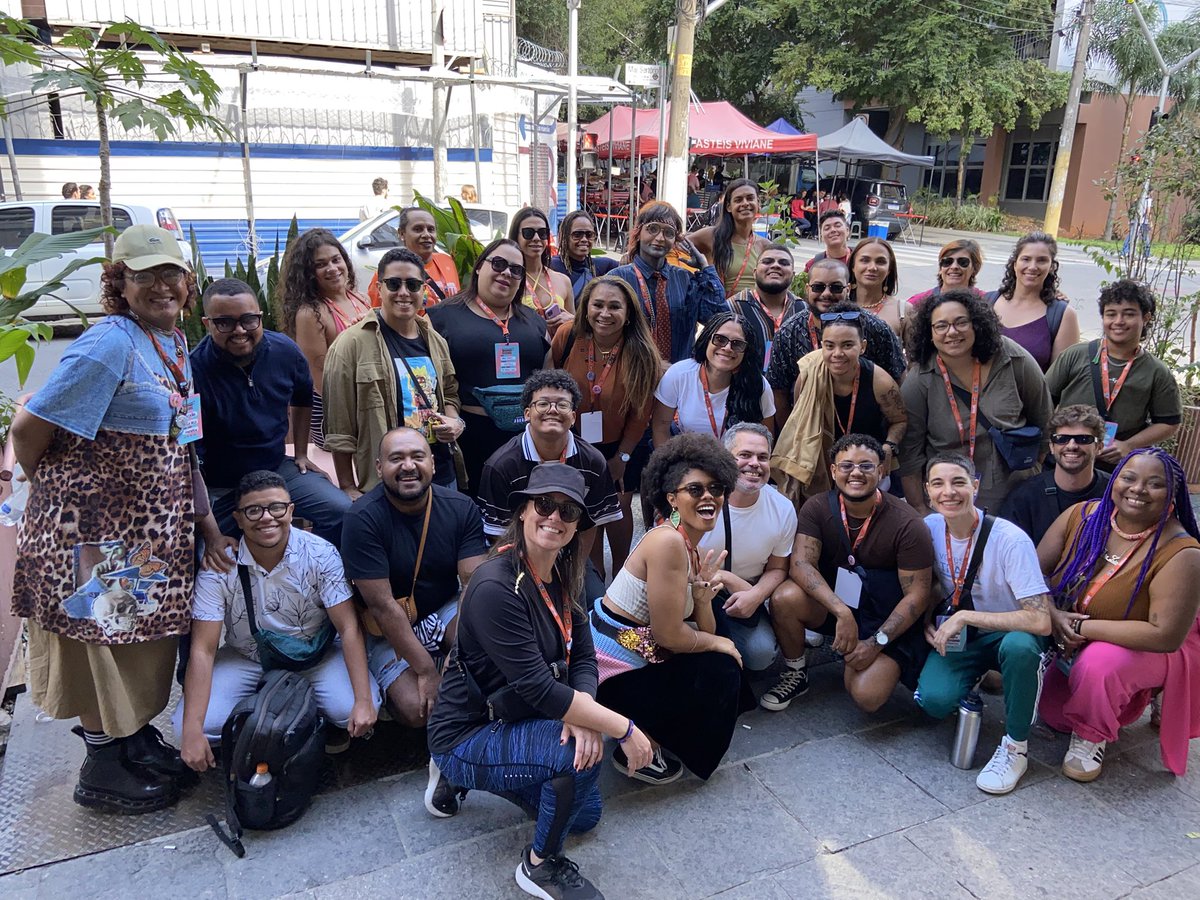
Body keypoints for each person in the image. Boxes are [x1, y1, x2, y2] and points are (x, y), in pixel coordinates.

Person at [10, 225, 210, 813]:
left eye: (172, 274)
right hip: (100, 532)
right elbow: (28, 431)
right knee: (104, 638)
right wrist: (58, 491)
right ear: (118, 282)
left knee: (134, 643)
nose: (162, 286)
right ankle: (102, 765)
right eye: (145, 275)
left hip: (148, 531)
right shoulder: (109, 343)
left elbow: (182, 438)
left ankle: (129, 740)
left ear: (187, 284)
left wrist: (202, 519)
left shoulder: (170, 342)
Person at [427, 464, 654, 900]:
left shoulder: (566, 571)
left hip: (526, 715)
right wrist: (622, 727)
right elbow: (538, 687)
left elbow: (584, 654)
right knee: (575, 758)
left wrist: (583, 710)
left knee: (584, 814)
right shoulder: (496, 585)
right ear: (524, 511)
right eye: (544, 504)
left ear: (576, 527)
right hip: (468, 730)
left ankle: (499, 774)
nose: (555, 517)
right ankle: (539, 865)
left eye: (568, 512)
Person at [174, 471, 379, 765]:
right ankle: (267, 722)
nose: (266, 518)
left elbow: (348, 628)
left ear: (291, 511)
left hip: (315, 655)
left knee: (350, 710)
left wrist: (362, 701)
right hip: (247, 657)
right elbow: (203, 650)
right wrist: (192, 731)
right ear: (239, 518)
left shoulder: (320, 554)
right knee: (197, 727)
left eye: (276, 508)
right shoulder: (220, 566)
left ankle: (302, 716)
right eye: (253, 510)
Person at [590, 433, 754, 784]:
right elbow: (669, 634)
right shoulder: (667, 542)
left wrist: (704, 602)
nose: (709, 497)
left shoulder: (685, 540)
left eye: (716, 488)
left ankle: (665, 729)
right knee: (721, 666)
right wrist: (721, 646)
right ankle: (639, 738)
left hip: (641, 653)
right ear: (671, 499)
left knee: (717, 616)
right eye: (695, 490)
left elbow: (705, 629)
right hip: (611, 676)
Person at [1038, 447, 1200, 780]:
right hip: (1076, 630)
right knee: (1054, 714)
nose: (1138, 489)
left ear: (1172, 494)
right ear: (1114, 480)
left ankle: (1092, 736)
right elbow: (1033, 571)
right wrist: (1053, 614)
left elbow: (1165, 635)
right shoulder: (1082, 516)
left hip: (1149, 644)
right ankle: (1123, 695)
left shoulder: (1182, 553)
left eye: (1154, 484)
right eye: (1129, 477)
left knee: (1100, 666)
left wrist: (1082, 627)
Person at [764, 435, 934, 713]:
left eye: (866, 466)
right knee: (785, 597)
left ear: (881, 470)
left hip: (883, 616)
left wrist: (875, 643)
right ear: (833, 471)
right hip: (838, 606)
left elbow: (917, 596)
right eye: (846, 466)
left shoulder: (908, 524)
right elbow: (800, 564)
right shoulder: (817, 507)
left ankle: (892, 658)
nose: (856, 472)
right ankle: (796, 673)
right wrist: (841, 612)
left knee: (868, 696)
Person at [915, 453, 1053, 795]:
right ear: (928, 492)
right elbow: (930, 585)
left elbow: (1040, 619)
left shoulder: (1010, 539)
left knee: (1020, 648)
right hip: (964, 636)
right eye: (938, 484)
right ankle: (981, 679)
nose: (949, 492)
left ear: (975, 486)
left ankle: (1015, 748)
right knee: (933, 701)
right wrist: (925, 621)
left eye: (959, 482)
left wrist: (964, 615)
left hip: (1011, 633)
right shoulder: (928, 528)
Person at [340, 428, 486, 741]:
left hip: (443, 605)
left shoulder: (461, 508)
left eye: (417, 457)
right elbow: (382, 606)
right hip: (384, 626)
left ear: (432, 464)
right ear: (379, 468)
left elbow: (473, 585)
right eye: (396, 459)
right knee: (416, 707)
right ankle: (399, 681)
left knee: (482, 653)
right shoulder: (362, 518)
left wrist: (458, 655)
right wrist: (427, 671)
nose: (408, 466)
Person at [192, 278, 351, 550]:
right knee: (206, 553)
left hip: (276, 469)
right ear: (207, 323)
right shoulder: (195, 370)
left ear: (260, 316)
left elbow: (303, 397)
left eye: (249, 320)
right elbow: (192, 450)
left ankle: (315, 568)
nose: (240, 330)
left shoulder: (284, 351)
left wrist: (301, 452)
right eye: (225, 323)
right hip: (223, 486)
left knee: (344, 512)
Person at [323, 249, 464, 495]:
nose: (403, 292)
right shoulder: (351, 345)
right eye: (393, 284)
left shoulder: (436, 341)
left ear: (424, 290)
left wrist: (455, 421)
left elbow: (450, 393)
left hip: (441, 473)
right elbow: (339, 425)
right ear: (379, 288)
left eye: (412, 284)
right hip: (388, 481)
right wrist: (347, 486)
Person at [900, 288, 1051, 515]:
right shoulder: (920, 378)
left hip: (1013, 496)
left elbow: (1044, 423)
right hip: (946, 501)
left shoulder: (1014, 359)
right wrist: (920, 509)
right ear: (929, 333)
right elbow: (909, 451)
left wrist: (1031, 473)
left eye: (961, 322)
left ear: (976, 325)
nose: (952, 332)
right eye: (941, 326)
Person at [551, 276, 660, 576]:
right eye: (598, 305)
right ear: (585, 308)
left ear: (628, 315)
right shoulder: (568, 336)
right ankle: (596, 573)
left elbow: (641, 413)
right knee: (587, 511)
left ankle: (623, 571)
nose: (605, 313)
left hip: (621, 446)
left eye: (615, 307)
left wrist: (622, 458)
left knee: (618, 509)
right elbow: (551, 384)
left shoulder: (640, 352)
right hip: (573, 443)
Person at [427, 238, 551, 493]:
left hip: (524, 439)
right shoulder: (440, 317)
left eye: (516, 269)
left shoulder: (533, 321)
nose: (506, 272)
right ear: (479, 267)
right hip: (465, 437)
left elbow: (548, 377)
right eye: (498, 263)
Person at [477, 370, 621, 565]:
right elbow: (499, 534)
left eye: (562, 405)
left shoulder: (592, 462)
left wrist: (574, 570)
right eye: (543, 404)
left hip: (571, 554)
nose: (552, 410)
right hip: (517, 557)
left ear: (572, 416)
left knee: (593, 594)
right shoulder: (501, 466)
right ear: (527, 413)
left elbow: (589, 525)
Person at [773, 304, 907, 501]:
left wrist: (889, 446)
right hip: (821, 465)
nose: (837, 354)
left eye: (847, 345)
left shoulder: (880, 381)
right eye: (829, 345)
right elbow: (800, 420)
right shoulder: (809, 375)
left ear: (862, 347)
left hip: (867, 466)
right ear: (821, 346)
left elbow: (900, 420)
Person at [1045, 279, 1181, 471]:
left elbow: (1169, 422)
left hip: (1115, 466)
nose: (1118, 321)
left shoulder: (1156, 371)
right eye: (1111, 314)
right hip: (1067, 457)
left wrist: (1129, 445)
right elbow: (1043, 401)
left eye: (1129, 314)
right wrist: (1055, 442)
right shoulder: (1075, 355)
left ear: (1146, 317)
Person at [698, 423, 801, 672]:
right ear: (724, 459)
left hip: (743, 595)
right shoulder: (698, 496)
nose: (754, 464)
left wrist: (755, 597)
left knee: (760, 655)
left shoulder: (782, 508)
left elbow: (778, 567)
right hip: (692, 589)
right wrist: (722, 577)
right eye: (744, 455)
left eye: (763, 457)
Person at [768, 258, 905, 425]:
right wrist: (791, 436)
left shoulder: (876, 329)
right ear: (807, 289)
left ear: (848, 289)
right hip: (808, 432)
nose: (826, 293)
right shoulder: (789, 332)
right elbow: (779, 391)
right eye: (818, 287)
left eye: (836, 287)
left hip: (865, 435)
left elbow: (897, 378)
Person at [276, 228, 370, 449]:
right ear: (308, 274)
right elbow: (321, 381)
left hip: (368, 402)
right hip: (334, 415)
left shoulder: (361, 298)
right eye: (321, 264)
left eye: (336, 260)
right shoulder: (310, 314)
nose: (332, 269)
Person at [610, 201, 726, 363]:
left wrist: (705, 269)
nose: (659, 238)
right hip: (631, 374)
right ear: (638, 233)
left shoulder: (686, 280)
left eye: (669, 233)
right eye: (652, 229)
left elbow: (717, 319)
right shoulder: (617, 280)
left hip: (677, 376)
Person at [652, 312, 775, 446]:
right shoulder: (680, 374)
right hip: (688, 461)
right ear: (706, 339)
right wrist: (669, 464)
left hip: (738, 464)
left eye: (737, 344)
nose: (727, 348)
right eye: (720, 339)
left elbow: (766, 437)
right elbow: (660, 427)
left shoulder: (758, 385)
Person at [998, 404, 1110, 548]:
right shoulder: (1024, 497)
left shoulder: (1114, 491)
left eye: (1083, 439)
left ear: (1099, 447)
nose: (1071, 445)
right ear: (1051, 446)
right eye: (1062, 439)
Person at [987, 231, 1079, 372]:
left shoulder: (1062, 315)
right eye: (1026, 259)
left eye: (1042, 260)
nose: (1032, 266)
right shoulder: (986, 302)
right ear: (1014, 263)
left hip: (1030, 394)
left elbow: (1060, 381)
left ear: (1052, 267)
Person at [686, 178, 771, 298]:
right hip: (722, 313)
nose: (745, 203)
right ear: (728, 207)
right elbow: (676, 243)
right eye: (738, 200)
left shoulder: (765, 246)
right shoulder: (712, 236)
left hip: (755, 314)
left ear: (758, 204)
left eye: (750, 198)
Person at [726, 243, 803, 371]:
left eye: (784, 263)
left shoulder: (802, 309)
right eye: (767, 262)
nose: (775, 265)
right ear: (754, 273)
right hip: (745, 388)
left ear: (793, 275)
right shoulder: (733, 308)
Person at [366, 207, 461, 308]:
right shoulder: (387, 273)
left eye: (431, 229)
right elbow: (376, 315)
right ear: (402, 233)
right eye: (418, 229)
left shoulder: (447, 261)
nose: (426, 234)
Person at [510, 206, 575, 336]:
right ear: (516, 236)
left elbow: (577, 329)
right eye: (528, 232)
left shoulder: (563, 280)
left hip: (558, 352)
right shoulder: (508, 278)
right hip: (523, 352)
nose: (536, 238)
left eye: (542, 233)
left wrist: (572, 321)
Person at [550, 210, 618, 302]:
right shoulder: (552, 266)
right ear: (565, 237)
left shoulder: (599, 266)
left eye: (589, 235)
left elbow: (631, 267)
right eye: (577, 235)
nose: (584, 239)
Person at [905, 238, 983, 309]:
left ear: (974, 268)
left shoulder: (986, 301)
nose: (954, 267)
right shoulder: (917, 303)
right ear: (940, 268)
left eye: (962, 262)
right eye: (947, 262)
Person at [849, 237, 903, 335]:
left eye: (880, 262)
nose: (872, 268)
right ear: (853, 266)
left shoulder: (902, 311)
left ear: (889, 270)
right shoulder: (837, 306)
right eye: (865, 260)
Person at [804, 210, 851, 274]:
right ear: (821, 236)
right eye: (827, 228)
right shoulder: (813, 265)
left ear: (847, 231)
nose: (833, 230)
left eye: (837, 226)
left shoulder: (859, 259)